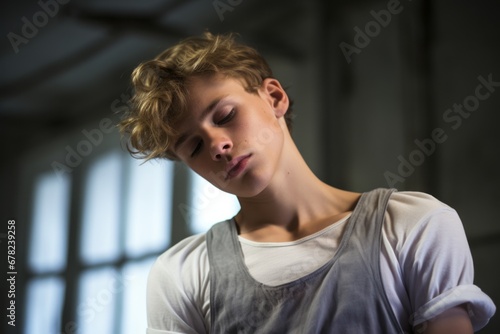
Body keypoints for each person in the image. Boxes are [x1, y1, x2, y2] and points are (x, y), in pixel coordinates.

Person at [119, 32, 496, 333]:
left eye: (225, 115)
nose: (218, 145)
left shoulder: (414, 224)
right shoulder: (183, 273)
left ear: (274, 97)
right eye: (195, 146)